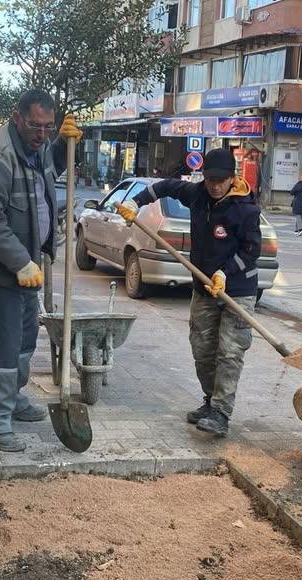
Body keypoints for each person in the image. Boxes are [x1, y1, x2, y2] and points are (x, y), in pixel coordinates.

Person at [0, 89, 81, 453]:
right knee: (0, 343)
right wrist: (20, 262)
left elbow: (48, 173)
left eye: (48, 127)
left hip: (28, 268)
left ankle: (10, 399)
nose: (41, 133)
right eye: (35, 126)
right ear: (16, 117)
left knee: (25, 339)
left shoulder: (37, 146)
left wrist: (63, 145)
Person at [117, 148, 261, 437]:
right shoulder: (196, 194)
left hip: (237, 290)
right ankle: (210, 402)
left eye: (221, 180)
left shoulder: (245, 209)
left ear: (232, 179)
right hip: (203, 286)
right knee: (202, 349)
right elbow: (164, 187)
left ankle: (221, 412)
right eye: (210, 179)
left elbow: (252, 250)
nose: (215, 185)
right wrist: (135, 201)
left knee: (229, 352)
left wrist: (225, 272)